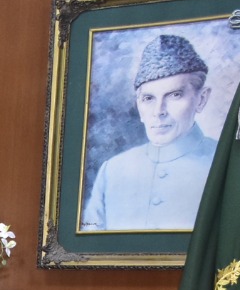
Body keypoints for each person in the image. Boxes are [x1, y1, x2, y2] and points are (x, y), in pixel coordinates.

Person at [81, 33, 216, 232]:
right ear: (138, 104)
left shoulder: (225, 162)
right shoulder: (112, 170)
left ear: (201, 99)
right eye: (149, 98)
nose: (158, 111)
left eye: (175, 95)